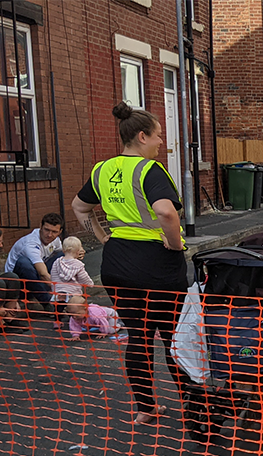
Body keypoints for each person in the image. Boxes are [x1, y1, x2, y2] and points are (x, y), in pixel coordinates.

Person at [72, 101, 190, 426]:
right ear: (141, 136)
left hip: (117, 263)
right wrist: (176, 243)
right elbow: (166, 212)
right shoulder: (149, 170)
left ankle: (146, 407)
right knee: (173, 337)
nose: (161, 143)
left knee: (137, 335)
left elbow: (79, 207)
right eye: (157, 136)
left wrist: (102, 235)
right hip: (158, 264)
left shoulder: (102, 170)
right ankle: (193, 407)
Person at [4, 212, 64, 311]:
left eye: (54, 232)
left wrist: (77, 253)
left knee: (64, 256)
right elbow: (43, 274)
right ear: (40, 227)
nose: (49, 235)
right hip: (19, 286)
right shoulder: (31, 243)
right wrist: (62, 290)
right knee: (24, 263)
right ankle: (49, 304)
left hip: (36, 279)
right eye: (46, 230)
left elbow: (64, 256)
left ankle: (55, 296)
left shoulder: (56, 240)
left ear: (60, 231)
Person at [51, 236, 93, 308]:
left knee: (59, 310)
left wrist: (55, 288)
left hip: (59, 293)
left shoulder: (57, 262)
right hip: (73, 293)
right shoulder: (78, 265)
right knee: (75, 310)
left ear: (63, 250)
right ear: (78, 251)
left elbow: (53, 276)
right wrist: (90, 284)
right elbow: (83, 277)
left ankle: (59, 317)